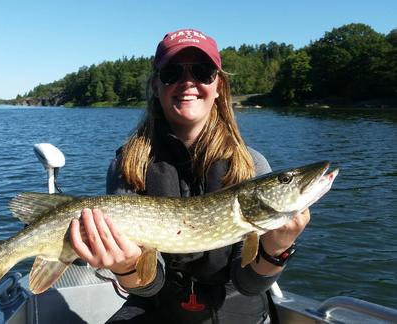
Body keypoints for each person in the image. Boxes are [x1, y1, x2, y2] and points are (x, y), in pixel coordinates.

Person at [69, 28, 310, 324]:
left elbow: (250, 284)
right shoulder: (128, 166)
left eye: (202, 71)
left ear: (218, 85)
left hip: (235, 302)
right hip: (158, 302)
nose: (188, 82)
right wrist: (126, 266)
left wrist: (276, 249)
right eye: (172, 73)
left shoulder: (250, 165)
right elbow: (148, 285)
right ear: (156, 85)